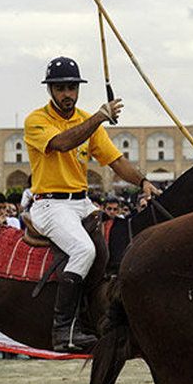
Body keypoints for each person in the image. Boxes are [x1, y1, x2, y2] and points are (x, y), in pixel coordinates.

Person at [26, 56, 159, 352]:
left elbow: (116, 161)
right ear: (50, 90)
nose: (67, 94)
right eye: (60, 88)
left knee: (106, 252)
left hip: (82, 202)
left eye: (72, 87)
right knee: (83, 250)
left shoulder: (88, 121)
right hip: (50, 205)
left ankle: (92, 316)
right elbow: (62, 143)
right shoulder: (37, 120)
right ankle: (63, 331)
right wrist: (99, 117)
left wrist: (142, 181)